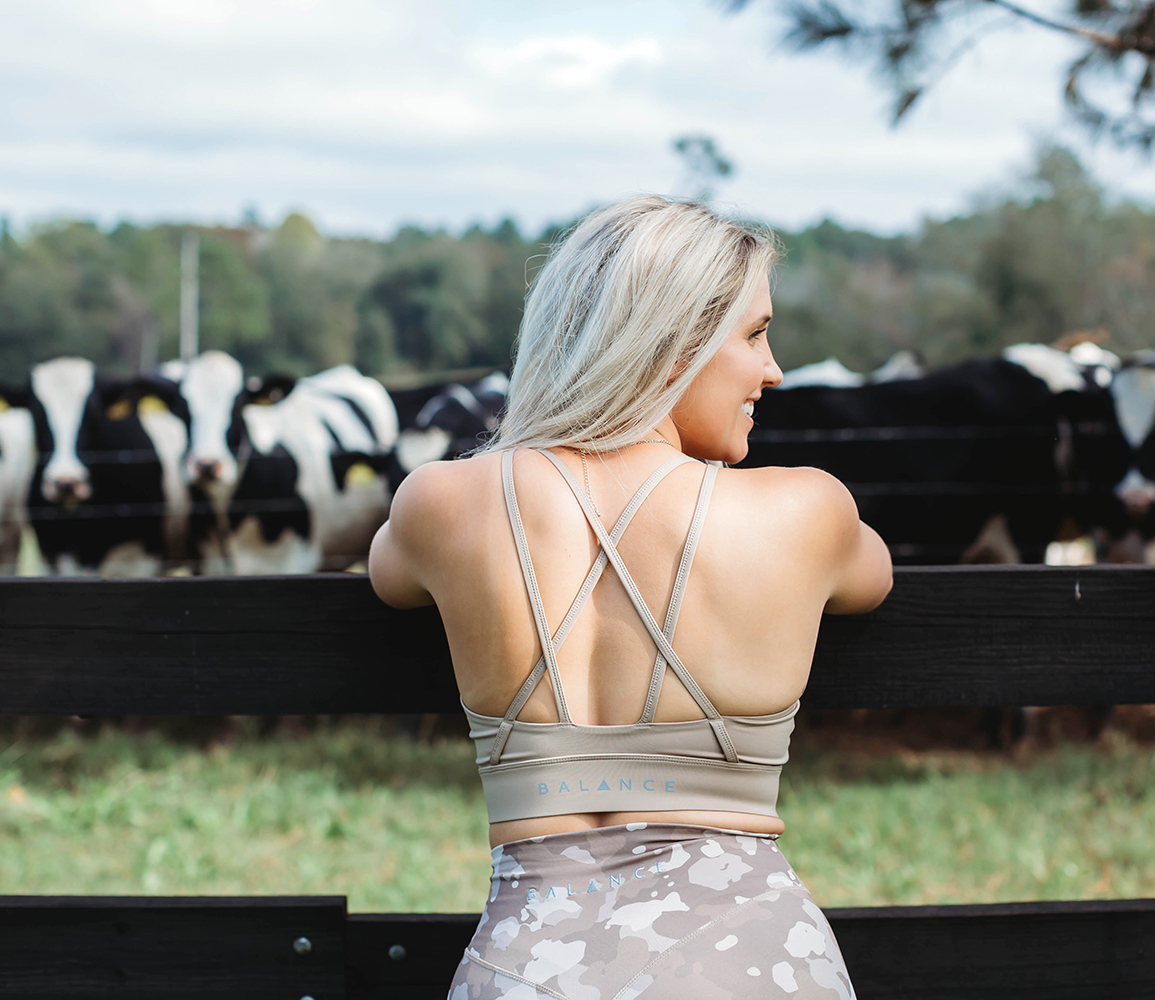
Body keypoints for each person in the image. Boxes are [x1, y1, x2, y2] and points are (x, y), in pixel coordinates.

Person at [369, 195, 892, 999]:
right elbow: (873, 578)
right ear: (672, 341)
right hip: (755, 964)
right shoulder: (803, 513)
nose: (774, 368)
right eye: (754, 334)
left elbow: (387, 577)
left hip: (527, 968)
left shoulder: (443, 504)